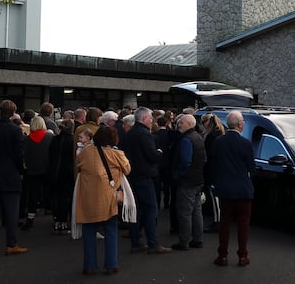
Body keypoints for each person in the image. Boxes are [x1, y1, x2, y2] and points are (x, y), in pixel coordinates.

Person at [76, 126, 131, 275]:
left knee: (88, 231)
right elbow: (127, 169)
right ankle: (111, 264)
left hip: (88, 196)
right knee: (111, 230)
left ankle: (89, 265)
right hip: (108, 197)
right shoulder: (116, 154)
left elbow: (79, 164)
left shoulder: (86, 151)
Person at [121, 106, 172, 254]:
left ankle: (136, 242)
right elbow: (152, 155)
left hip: (132, 176)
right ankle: (153, 243)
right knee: (151, 209)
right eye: (150, 118)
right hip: (145, 176)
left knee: (137, 210)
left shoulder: (130, 133)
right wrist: (160, 152)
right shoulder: (144, 134)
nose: (152, 121)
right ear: (144, 119)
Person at [0, 99, 28, 255]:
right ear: (13, 112)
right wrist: (20, 171)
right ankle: (11, 244)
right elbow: (19, 155)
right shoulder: (15, 131)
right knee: (11, 213)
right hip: (10, 176)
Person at [211, 111, 254, 267]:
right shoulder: (246, 144)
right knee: (243, 224)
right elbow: (251, 167)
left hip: (225, 188)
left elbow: (213, 164)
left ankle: (222, 255)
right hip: (243, 189)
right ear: (240, 125)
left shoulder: (218, 142)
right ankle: (242, 255)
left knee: (225, 223)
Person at [171, 114, 206, 251]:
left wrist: (180, 174)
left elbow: (185, 161)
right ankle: (198, 239)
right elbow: (204, 159)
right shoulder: (198, 137)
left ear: (190, 124)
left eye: (182, 123)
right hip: (198, 179)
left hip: (187, 181)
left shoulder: (186, 140)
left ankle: (184, 241)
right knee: (197, 211)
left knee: (185, 212)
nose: (179, 124)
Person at [22, 115, 53, 231]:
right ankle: (52, 214)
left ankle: (30, 218)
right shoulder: (49, 137)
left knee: (33, 194)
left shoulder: (26, 139)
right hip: (46, 169)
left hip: (32, 170)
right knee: (48, 191)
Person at [49, 119, 76, 235]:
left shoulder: (54, 139)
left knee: (57, 196)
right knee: (67, 197)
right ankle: (64, 220)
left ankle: (57, 219)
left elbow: (50, 155)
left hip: (55, 170)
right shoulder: (72, 141)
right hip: (68, 171)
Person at [201, 113, 225, 232]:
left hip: (212, 171)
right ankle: (219, 220)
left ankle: (217, 221)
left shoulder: (210, 137)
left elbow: (209, 156)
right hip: (221, 170)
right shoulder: (221, 134)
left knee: (215, 198)